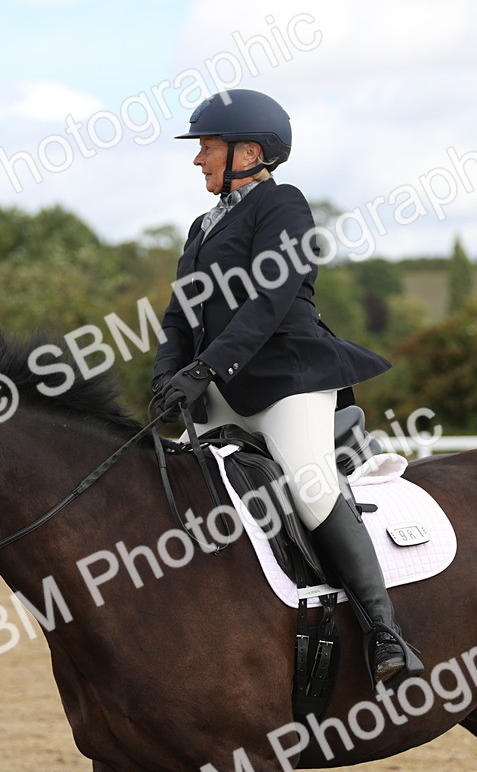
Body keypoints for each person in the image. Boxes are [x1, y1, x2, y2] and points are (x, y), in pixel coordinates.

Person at [151, 89, 423, 687]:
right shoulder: (202, 227)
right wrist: (166, 375)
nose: (198, 160)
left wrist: (205, 369)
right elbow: (180, 314)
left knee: (309, 482)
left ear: (248, 151)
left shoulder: (284, 207)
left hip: (286, 382)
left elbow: (268, 302)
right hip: (220, 384)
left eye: (207, 147)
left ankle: (385, 633)